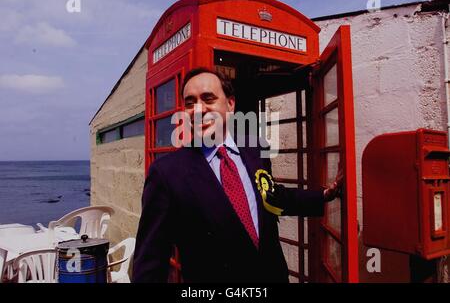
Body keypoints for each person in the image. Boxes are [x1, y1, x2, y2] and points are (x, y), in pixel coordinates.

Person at [132, 67, 343, 283]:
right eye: (189, 102)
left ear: (230, 104)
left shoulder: (255, 150)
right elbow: (150, 263)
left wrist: (324, 195)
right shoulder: (167, 173)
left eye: (208, 98)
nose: (198, 109)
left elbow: (272, 196)